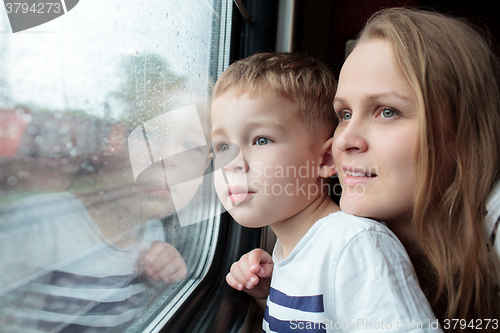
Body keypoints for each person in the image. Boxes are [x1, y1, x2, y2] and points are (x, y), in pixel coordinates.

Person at [212, 52, 440, 332]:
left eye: (261, 140)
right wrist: (266, 295)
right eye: (223, 147)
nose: (233, 164)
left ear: (325, 160)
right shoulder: (289, 251)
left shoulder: (353, 246)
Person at [0, 104, 213, 332]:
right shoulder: (38, 222)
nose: (166, 157)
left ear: (205, 167)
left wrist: (163, 271)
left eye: (190, 145)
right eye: (147, 134)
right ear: (104, 145)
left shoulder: (154, 235)